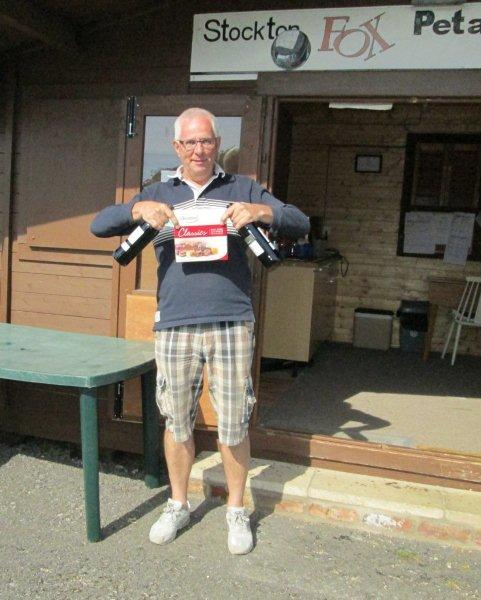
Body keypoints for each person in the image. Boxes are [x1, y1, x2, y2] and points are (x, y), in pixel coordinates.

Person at [91, 107, 309, 555]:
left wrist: (260, 211)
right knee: (177, 420)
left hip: (232, 321)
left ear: (217, 144)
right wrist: (137, 208)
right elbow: (99, 226)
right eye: (189, 142)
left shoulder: (241, 188)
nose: (198, 150)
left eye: (206, 141)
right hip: (175, 324)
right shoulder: (158, 192)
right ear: (177, 147)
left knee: (233, 421)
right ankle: (177, 503)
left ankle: (236, 510)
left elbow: (299, 222)